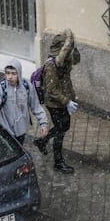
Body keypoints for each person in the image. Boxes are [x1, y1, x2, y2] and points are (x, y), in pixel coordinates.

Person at [33, 28, 80, 174]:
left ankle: (42, 141)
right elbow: (51, 90)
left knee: (63, 127)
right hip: (54, 103)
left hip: (62, 101)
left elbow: (77, 60)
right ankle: (58, 162)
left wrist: (74, 47)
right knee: (61, 129)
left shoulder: (65, 60)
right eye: (68, 48)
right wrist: (67, 102)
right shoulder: (52, 65)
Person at [0, 59, 48, 145]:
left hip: (21, 131)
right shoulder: (1, 87)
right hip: (5, 131)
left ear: (19, 73)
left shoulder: (27, 87)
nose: (9, 77)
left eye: (13, 73)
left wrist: (43, 123)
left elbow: (36, 107)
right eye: (7, 73)